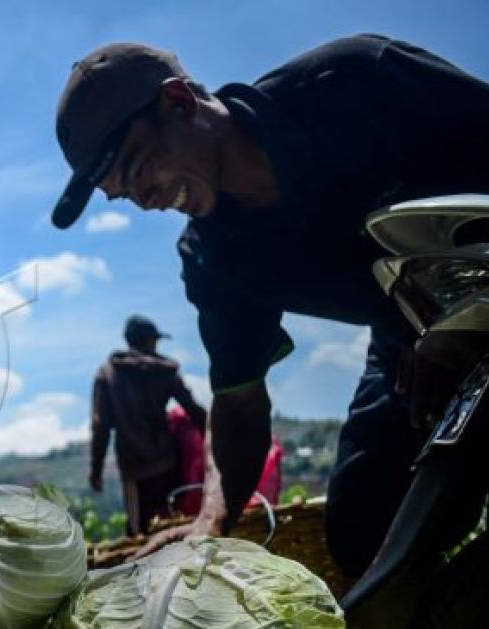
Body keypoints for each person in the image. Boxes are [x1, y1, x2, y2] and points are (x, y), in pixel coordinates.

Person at [49, 35, 489, 570]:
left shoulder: (355, 83)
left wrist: (458, 314)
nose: (147, 200)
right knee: (364, 533)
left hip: (468, 299)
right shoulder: (214, 259)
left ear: (179, 102)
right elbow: (239, 404)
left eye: (139, 169)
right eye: (126, 195)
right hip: (411, 349)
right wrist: (209, 526)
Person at [90, 314, 207, 534]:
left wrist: (96, 470)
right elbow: (195, 411)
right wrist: (213, 445)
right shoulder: (164, 371)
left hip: (135, 467)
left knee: (138, 533)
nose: (156, 345)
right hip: (169, 462)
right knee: (176, 521)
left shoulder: (108, 373)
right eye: (155, 340)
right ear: (148, 340)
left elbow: (101, 426)